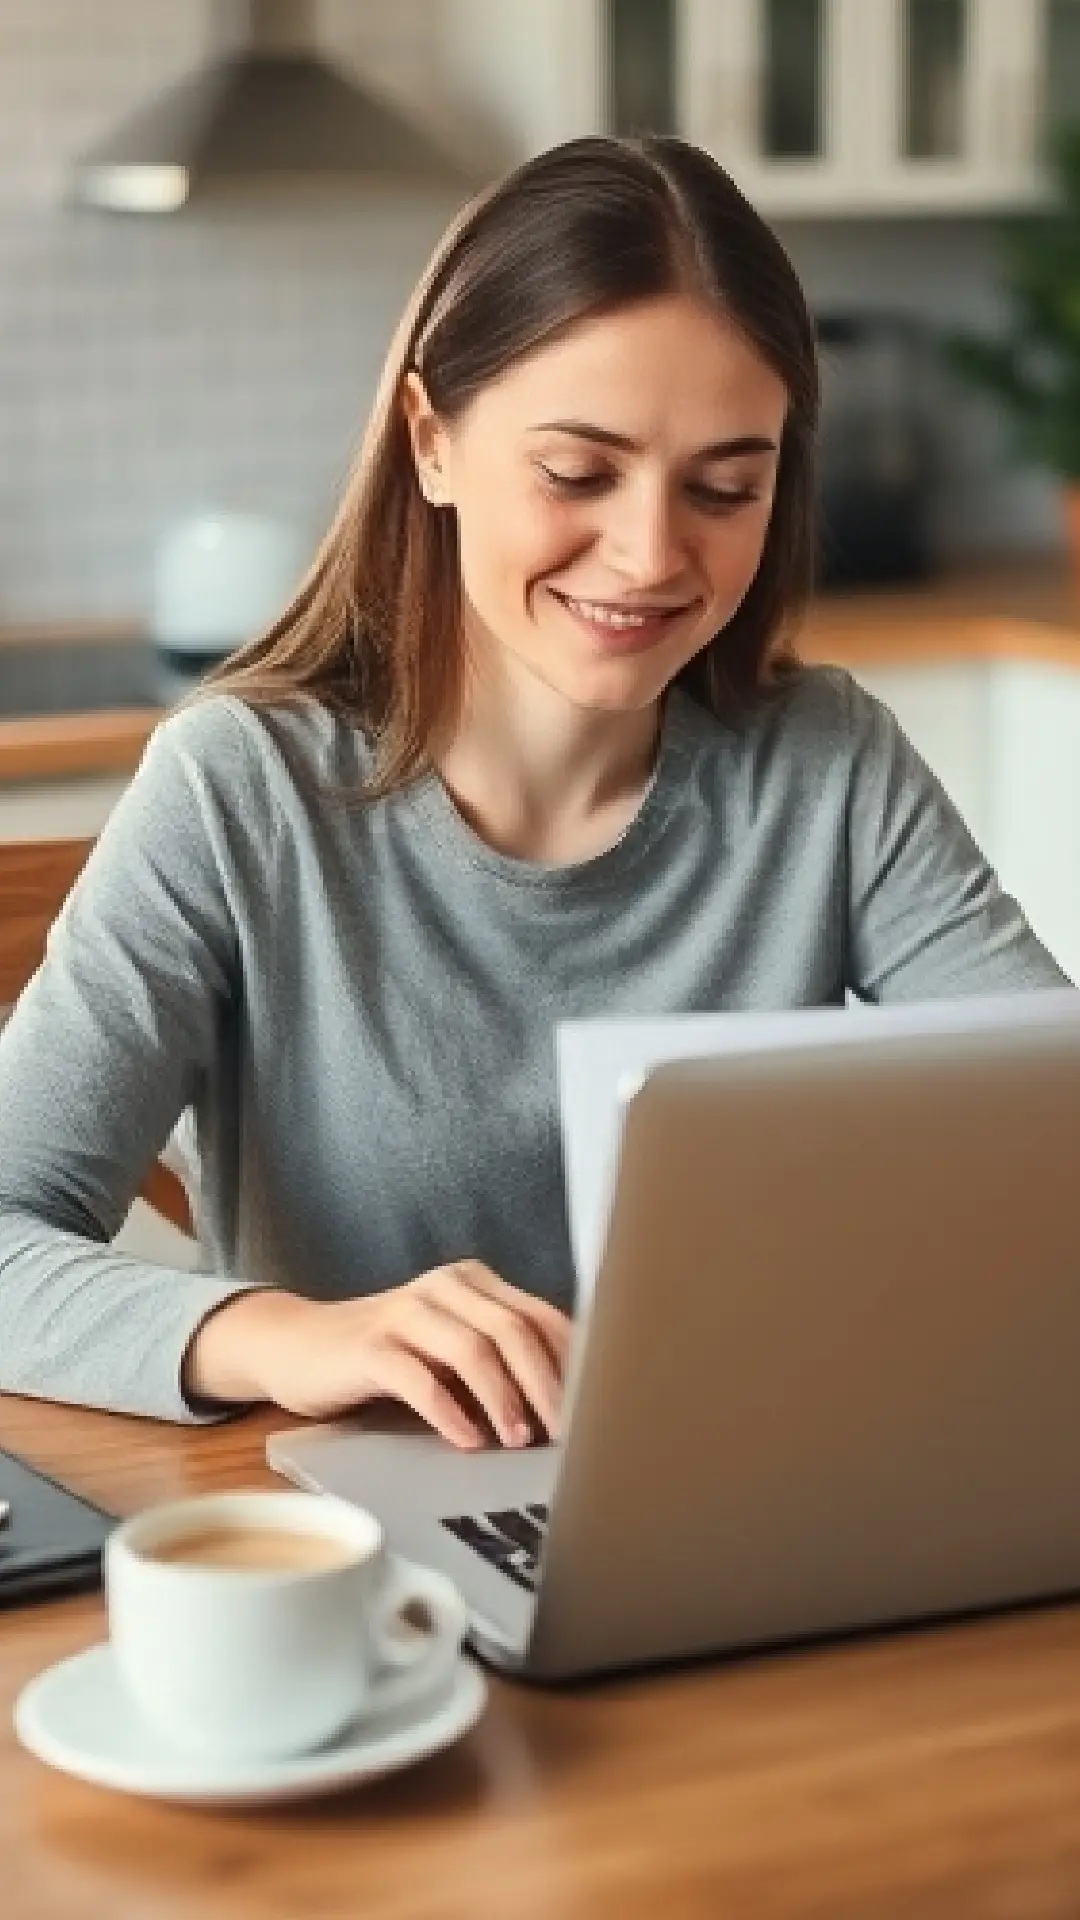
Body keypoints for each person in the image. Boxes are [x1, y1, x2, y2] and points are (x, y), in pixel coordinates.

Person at [0, 135, 1069, 1446]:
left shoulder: (829, 768)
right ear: (431, 441)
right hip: (359, 1551)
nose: (650, 552)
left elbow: (1049, 1141)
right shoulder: (242, 789)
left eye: (726, 486)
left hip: (740, 1493)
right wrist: (300, 1336)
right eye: (579, 473)